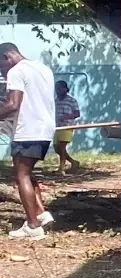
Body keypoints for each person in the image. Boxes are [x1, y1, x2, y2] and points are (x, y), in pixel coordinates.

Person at [0, 44, 55, 239]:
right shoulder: (43, 68)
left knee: (20, 175)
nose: (3, 72)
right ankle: (40, 214)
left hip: (27, 130)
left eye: (1, 66)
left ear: (7, 57)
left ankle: (33, 227)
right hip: (45, 129)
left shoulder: (16, 71)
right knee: (27, 173)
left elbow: (13, 105)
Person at [53, 79, 81, 176]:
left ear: (65, 89)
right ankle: (73, 162)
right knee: (57, 148)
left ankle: (61, 169)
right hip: (57, 127)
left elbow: (77, 113)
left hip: (67, 126)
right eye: (56, 88)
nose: (57, 90)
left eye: (59, 88)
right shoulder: (55, 101)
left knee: (62, 147)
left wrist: (66, 117)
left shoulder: (72, 100)